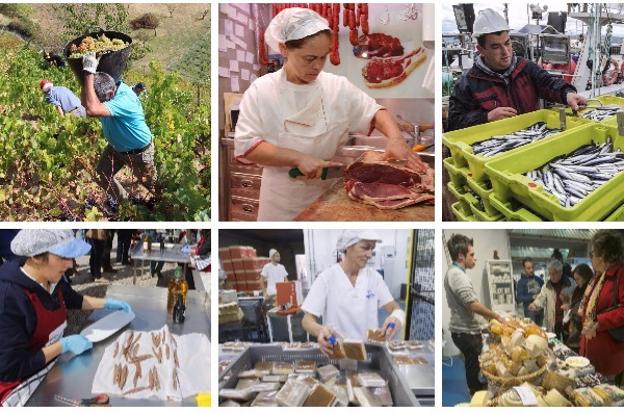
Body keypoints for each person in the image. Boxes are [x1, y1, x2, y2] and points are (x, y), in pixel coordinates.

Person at [234, 8, 427, 220]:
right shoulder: (261, 90)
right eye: (309, 58)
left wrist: (396, 138)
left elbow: (374, 113)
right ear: (284, 49)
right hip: (280, 204)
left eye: (322, 57)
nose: (317, 66)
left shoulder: (337, 87)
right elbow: (247, 146)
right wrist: (298, 158)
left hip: (327, 197)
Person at [0, 230, 132, 406]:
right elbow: (11, 368)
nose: (70, 264)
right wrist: (63, 345)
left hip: (52, 368)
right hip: (22, 386)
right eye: (63, 257)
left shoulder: (53, 277)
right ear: (37, 258)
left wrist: (107, 303)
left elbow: (75, 300)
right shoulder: (9, 298)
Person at [447, 8, 587, 131]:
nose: (505, 52)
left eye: (507, 43)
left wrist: (567, 94)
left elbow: (548, 83)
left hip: (532, 137)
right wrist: (486, 117)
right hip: (495, 148)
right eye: (496, 47)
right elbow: (454, 123)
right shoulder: (467, 83)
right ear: (481, 49)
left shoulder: (525, 67)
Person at [301, 230, 404, 354]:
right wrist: (320, 330)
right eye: (365, 248)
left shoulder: (374, 278)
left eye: (372, 249)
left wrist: (396, 317)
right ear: (348, 247)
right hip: (338, 351)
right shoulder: (327, 278)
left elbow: (394, 307)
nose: (370, 254)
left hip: (369, 351)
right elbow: (307, 320)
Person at [80, 53, 158, 212]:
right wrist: (87, 74)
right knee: (102, 175)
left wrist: (88, 72)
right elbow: (87, 104)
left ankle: (160, 209)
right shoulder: (109, 88)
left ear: (109, 96)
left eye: (99, 100)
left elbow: (92, 109)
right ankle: (126, 204)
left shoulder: (124, 99)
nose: (96, 102)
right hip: (116, 148)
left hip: (139, 153)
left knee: (149, 184)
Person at [444, 234, 505, 396]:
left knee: (473, 361)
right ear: (461, 256)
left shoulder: (455, 272)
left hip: (464, 330)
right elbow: (472, 304)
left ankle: (476, 385)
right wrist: (494, 316)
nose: (475, 258)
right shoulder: (457, 275)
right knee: (472, 362)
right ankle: (476, 391)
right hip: (464, 331)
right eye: (471, 255)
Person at [579, 230, 624, 382]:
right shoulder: (599, 276)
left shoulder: (620, 274)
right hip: (589, 352)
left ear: (602, 253)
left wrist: (599, 321)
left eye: (592, 254)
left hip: (607, 357)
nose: (590, 258)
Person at [528, 258, 576, 339]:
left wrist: (569, 303)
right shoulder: (547, 285)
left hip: (567, 320)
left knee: (567, 343)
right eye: (550, 274)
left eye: (554, 274)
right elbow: (541, 297)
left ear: (561, 272)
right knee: (553, 343)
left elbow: (577, 301)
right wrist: (535, 304)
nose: (551, 276)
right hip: (552, 320)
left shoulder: (571, 284)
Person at [563, 264, 593, 352]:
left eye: (578, 279)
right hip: (573, 330)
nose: (576, 282)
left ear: (585, 277)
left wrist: (572, 311)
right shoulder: (578, 289)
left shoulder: (589, 290)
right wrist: (570, 307)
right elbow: (575, 304)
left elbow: (584, 309)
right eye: (575, 279)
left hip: (580, 332)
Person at [515, 257, 544, 325]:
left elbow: (544, 292)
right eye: (528, 268)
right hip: (530, 311)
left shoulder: (539, 280)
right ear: (524, 268)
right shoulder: (521, 282)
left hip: (540, 309)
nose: (531, 270)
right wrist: (532, 297)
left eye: (532, 267)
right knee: (532, 331)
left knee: (540, 330)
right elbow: (519, 298)